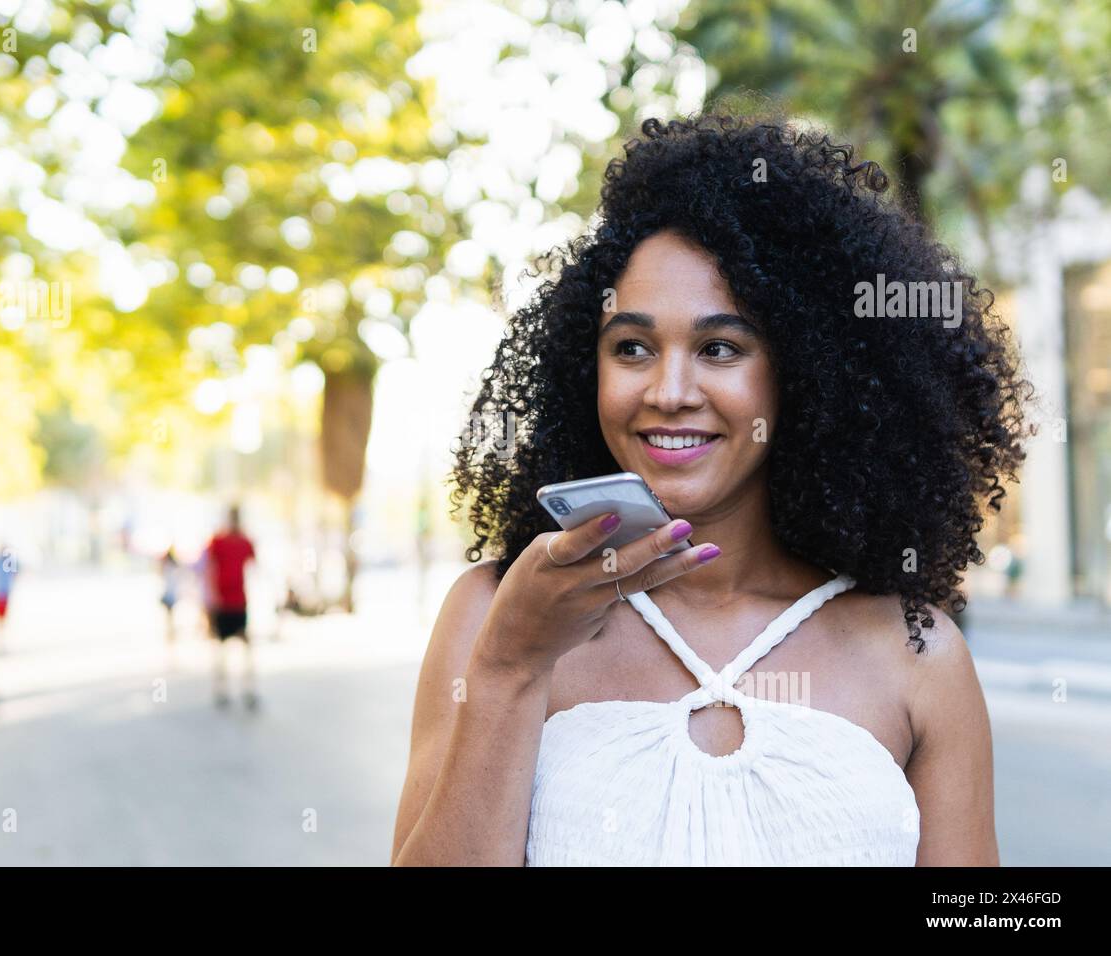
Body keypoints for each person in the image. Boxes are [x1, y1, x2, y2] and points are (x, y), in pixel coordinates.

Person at [392, 110, 1032, 866]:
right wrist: (508, 667)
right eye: (631, 347)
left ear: (806, 371)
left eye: (719, 347)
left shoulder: (914, 656)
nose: (668, 390)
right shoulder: (494, 616)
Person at [203, 506, 259, 710]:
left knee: (245, 647)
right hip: (223, 603)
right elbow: (208, 569)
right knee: (221, 649)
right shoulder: (218, 542)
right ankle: (222, 691)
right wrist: (211, 599)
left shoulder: (245, 541)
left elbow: (254, 567)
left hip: (239, 602)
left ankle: (248, 690)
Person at [0, 543, 18, 651]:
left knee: (3, 618)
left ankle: (1, 640)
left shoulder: (9, 562)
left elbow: (15, 573)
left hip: (5, 593)